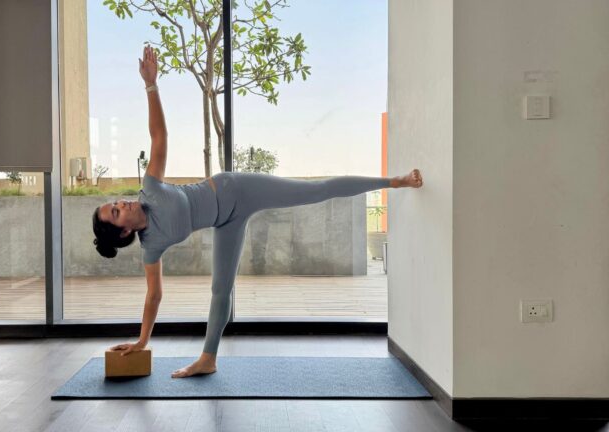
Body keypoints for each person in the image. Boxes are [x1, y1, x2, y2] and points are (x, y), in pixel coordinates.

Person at [93, 45, 424, 378]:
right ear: (124, 232)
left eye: (116, 203)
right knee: (220, 288)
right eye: (116, 213)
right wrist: (141, 341)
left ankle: (394, 181)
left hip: (238, 189)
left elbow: (159, 135)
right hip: (227, 223)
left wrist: (151, 84)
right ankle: (208, 358)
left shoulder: (150, 189)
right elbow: (154, 295)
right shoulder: (152, 246)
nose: (121, 204)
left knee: (316, 190)